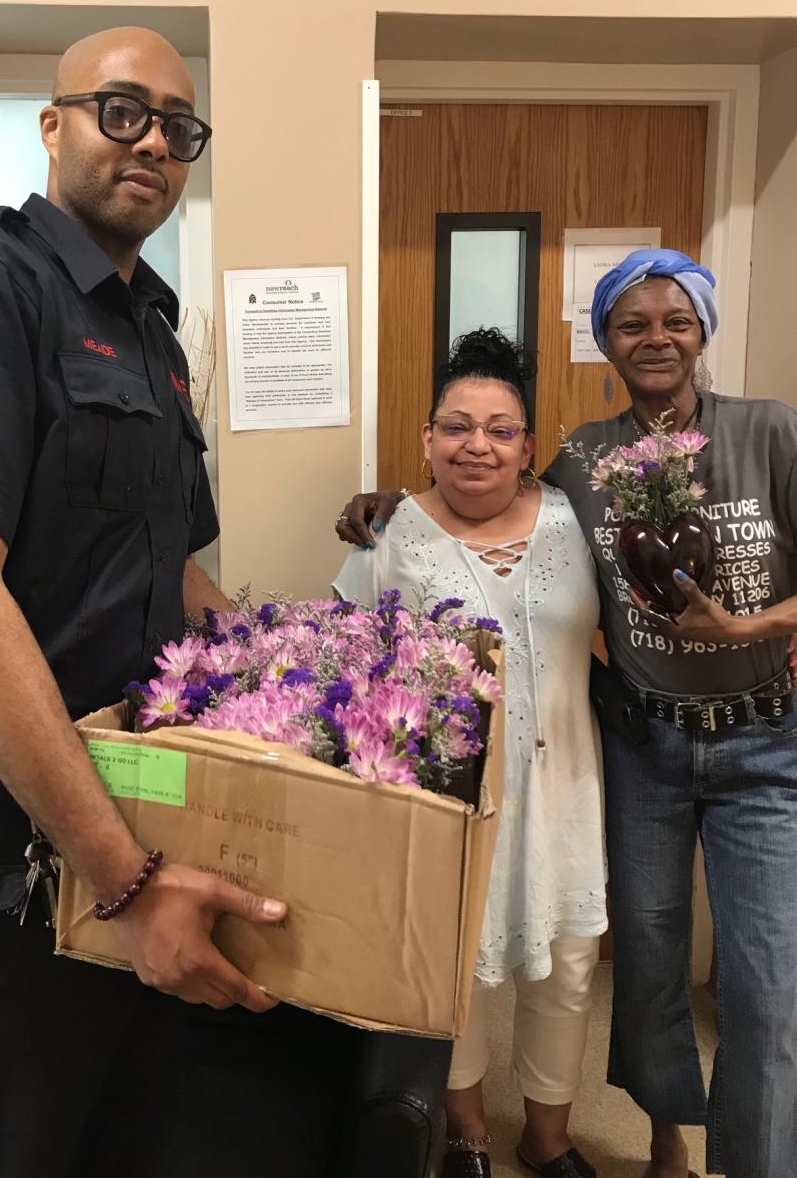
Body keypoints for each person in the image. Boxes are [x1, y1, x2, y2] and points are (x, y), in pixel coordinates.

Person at [0, 27, 288, 1177]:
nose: (155, 140)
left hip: (132, 804)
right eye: (124, 110)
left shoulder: (155, 336)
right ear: (54, 123)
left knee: (125, 1129)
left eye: (179, 126)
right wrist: (123, 879)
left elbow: (175, 575)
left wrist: (311, 692)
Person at [336, 250, 797, 1178]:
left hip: (719, 747)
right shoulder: (586, 460)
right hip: (621, 750)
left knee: (749, 980)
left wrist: (751, 622)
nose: (656, 339)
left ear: (704, 328)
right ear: (605, 343)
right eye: (632, 324)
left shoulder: (759, 435)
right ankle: (627, 1129)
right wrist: (393, 510)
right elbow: (470, 513)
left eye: (675, 320)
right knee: (624, 962)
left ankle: (732, 1159)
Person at [333, 328, 607, 1178]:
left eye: (500, 428)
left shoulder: (578, 519)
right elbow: (344, 666)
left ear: (529, 445)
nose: (476, 445)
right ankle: (469, 1135)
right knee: (460, 970)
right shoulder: (387, 537)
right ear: (426, 439)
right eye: (456, 425)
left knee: (565, 968)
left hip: (566, 784)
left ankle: (550, 1137)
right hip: (449, 802)